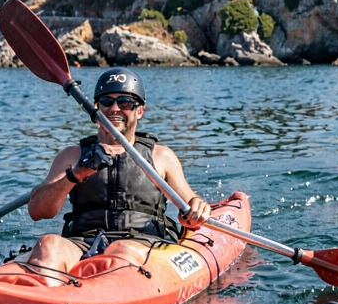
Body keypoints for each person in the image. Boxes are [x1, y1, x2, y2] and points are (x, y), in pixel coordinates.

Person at [23, 68, 211, 284]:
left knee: (121, 251)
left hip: (143, 245)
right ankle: (43, 302)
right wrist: (76, 174)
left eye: (125, 103)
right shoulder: (72, 156)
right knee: (49, 244)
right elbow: (37, 211)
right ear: (96, 108)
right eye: (106, 101)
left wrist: (197, 209)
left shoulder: (161, 156)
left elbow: (190, 202)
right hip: (83, 242)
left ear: (139, 111)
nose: (114, 109)